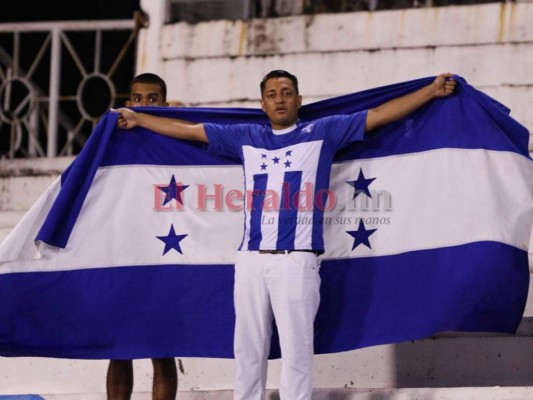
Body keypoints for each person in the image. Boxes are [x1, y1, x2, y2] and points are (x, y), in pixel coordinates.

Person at [113, 70, 456, 400]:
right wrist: (140, 119)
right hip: (249, 261)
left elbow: (380, 115)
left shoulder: (324, 131)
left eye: (286, 93)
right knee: (247, 352)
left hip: (297, 261)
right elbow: (189, 131)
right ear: (263, 104)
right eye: (272, 95)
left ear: (298, 100)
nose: (279, 100)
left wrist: (431, 91)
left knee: (297, 353)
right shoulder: (245, 136)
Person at [107, 72, 178, 400]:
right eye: (138, 98)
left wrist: (183, 115)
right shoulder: (113, 135)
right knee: (120, 346)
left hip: (166, 251)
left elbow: (205, 134)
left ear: (164, 102)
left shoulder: (177, 133)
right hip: (124, 250)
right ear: (128, 103)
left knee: (162, 345)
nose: (145, 104)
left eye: (153, 99)